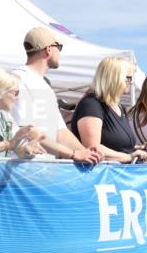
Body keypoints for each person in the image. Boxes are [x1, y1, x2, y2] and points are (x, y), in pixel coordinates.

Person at [11, 27, 103, 164]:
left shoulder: (43, 86)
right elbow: (28, 131)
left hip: (45, 169)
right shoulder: (17, 79)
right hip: (23, 170)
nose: (59, 53)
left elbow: (60, 131)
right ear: (48, 49)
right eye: (59, 47)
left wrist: (87, 153)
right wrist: (73, 154)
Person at [71, 56, 147, 163]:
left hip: (120, 174)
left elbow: (120, 146)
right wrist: (129, 157)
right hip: (102, 176)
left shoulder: (120, 108)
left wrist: (139, 150)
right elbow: (93, 148)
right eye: (129, 78)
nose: (131, 82)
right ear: (115, 78)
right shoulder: (91, 104)